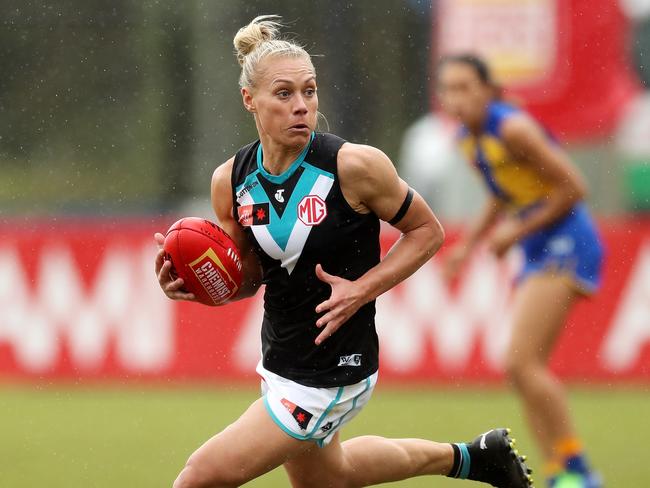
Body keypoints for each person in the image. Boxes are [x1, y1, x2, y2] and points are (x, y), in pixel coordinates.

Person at [154, 17, 532, 488]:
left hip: (333, 369)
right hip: (279, 359)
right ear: (249, 99)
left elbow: (426, 232)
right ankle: (474, 458)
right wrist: (196, 284)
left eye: (309, 92)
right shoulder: (230, 180)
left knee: (196, 479)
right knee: (333, 477)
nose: (302, 106)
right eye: (285, 94)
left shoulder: (354, 165)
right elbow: (249, 279)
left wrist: (361, 290)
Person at [437, 54, 604, 488]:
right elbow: (501, 192)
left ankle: (579, 471)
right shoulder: (467, 141)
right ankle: (560, 469)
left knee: (521, 361)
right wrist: (468, 246)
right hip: (537, 243)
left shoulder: (513, 128)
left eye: (465, 88)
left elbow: (574, 188)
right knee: (523, 366)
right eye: (448, 89)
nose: (455, 98)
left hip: (567, 237)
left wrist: (515, 231)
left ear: (489, 91)